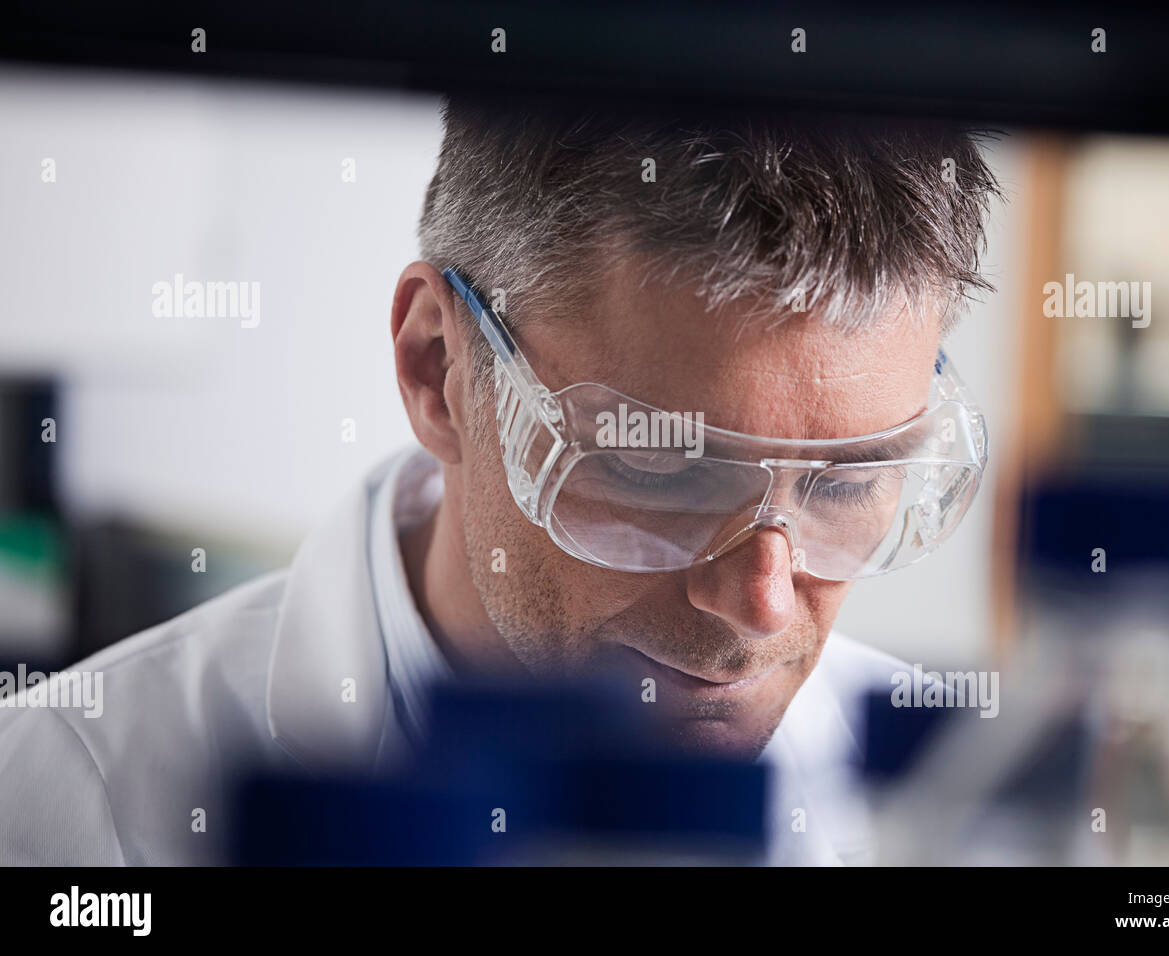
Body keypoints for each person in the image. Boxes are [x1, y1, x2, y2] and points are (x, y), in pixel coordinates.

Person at [0, 93, 1000, 865]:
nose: (758, 603)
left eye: (844, 482)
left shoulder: (980, 804)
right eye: (660, 466)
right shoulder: (62, 797)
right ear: (439, 368)